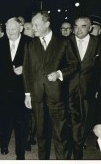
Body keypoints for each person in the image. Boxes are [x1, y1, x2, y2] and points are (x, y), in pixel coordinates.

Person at [23, 11, 79, 159]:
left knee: (61, 136)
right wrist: (27, 94)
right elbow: (27, 71)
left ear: (47, 24)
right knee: (41, 136)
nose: (33, 28)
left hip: (57, 97)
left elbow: (74, 65)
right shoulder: (30, 45)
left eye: (36, 25)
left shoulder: (64, 42)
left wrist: (59, 73)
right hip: (37, 97)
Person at [0, 17, 32, 159]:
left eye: (13, 29)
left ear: (21, 28)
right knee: (4, 121)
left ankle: (20, 153)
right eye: (7, 29)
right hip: (3, 91)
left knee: (22, 123)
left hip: (22, 91)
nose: (10, 32)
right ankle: (4, 145)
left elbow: (35, 66)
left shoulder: (29, 42)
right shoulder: (0, 43)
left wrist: (24, 68)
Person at [68, 16, 101, 159]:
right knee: (71, 121)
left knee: (85, 121)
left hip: (89, 90)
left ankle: (78, 145)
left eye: (83, 26)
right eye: (76, 26)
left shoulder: (98, 43)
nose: (79, 29)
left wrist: (99, 90)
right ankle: (75, 150)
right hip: (68, 89)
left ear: (90, 28)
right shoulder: (66, 42)